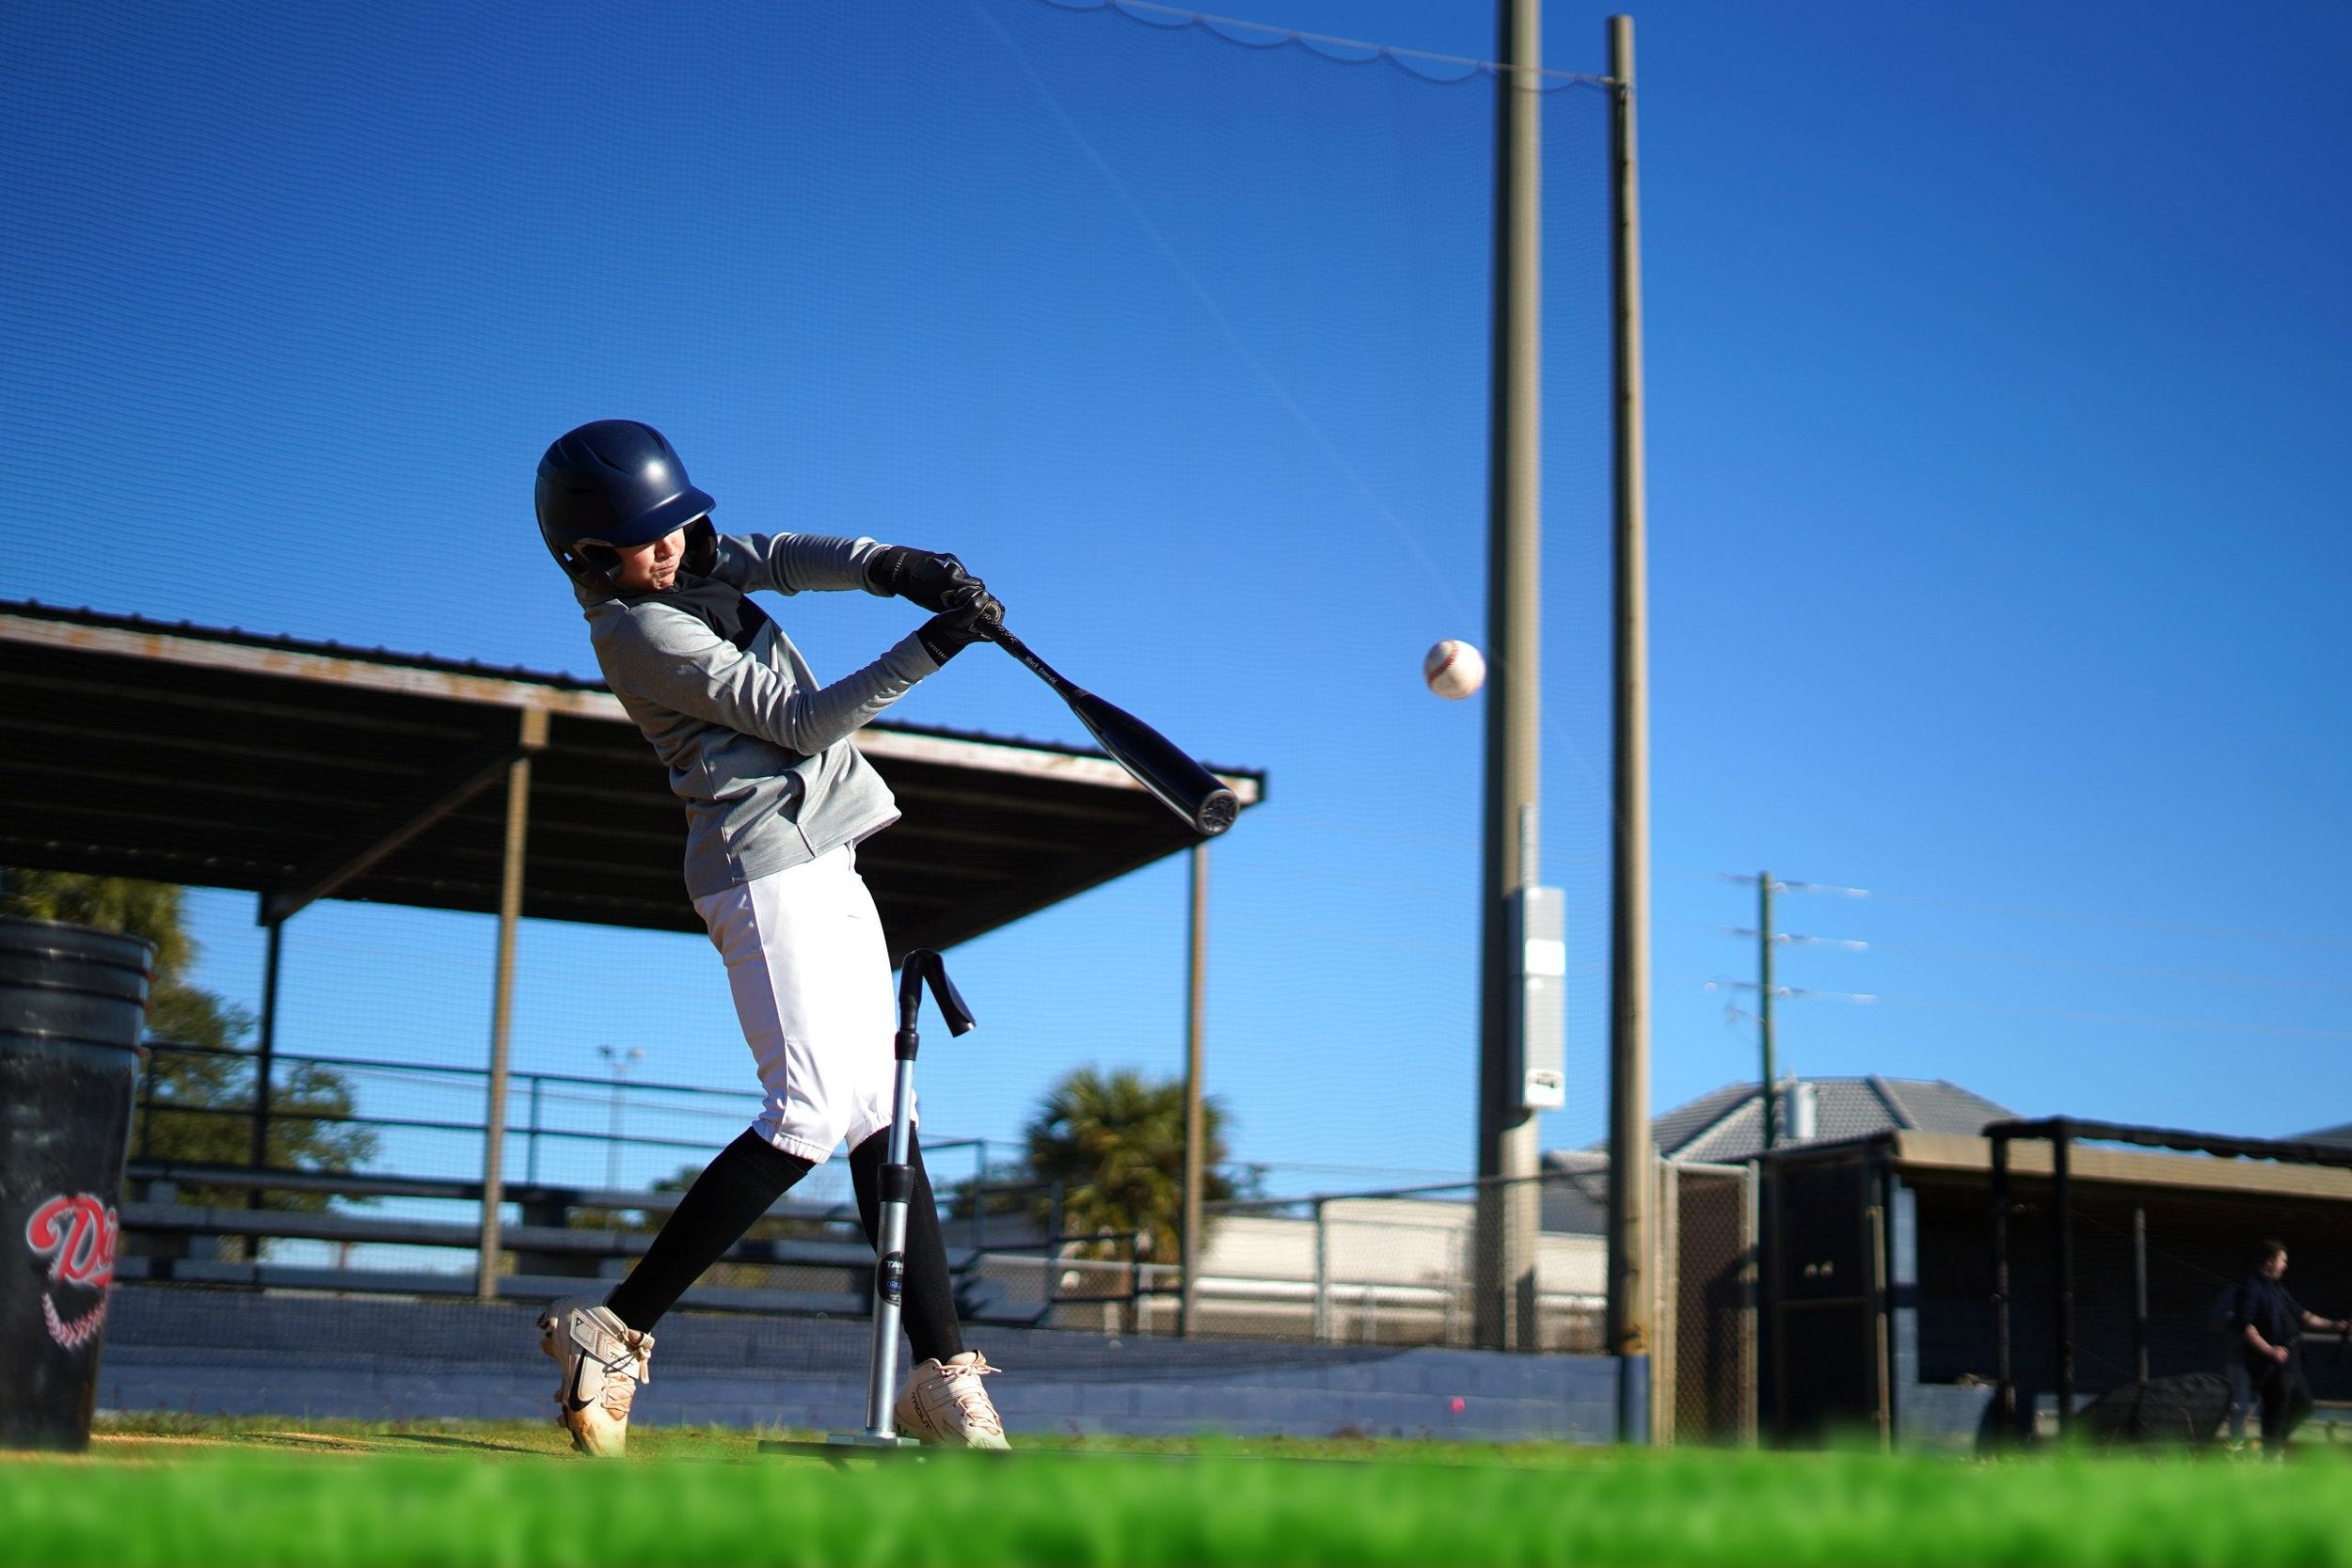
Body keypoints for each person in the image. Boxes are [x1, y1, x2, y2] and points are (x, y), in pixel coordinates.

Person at [529, 419, 1009, 1456]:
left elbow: (787, 557)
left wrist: (894, 566)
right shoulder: (639, 630)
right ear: (588, 557)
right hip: (760, 873)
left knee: (884, 1109)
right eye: (638, 541)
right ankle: (608, 1333)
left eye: (670, 527)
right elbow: (798, 722)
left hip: (826, 850)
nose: (667, 551)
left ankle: (940, 1378)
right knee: (805, 1111)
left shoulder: (695, 559)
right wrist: (933, 642)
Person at [2223, 1238, 2349, 1456]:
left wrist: (2335, 1325)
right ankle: (2270, 1457)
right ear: (2270, 1261)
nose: (2285, 1265)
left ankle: (2272, 1447)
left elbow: (2305, 1316)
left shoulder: (2277, 1288)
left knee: (2304, 1406)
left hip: (2292, 1362)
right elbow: (2246, 1327)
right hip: (2273, 1365)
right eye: (2283, 1260)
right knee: (2276, 1411)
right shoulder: (2251, 1287)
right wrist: (2269, 1350)